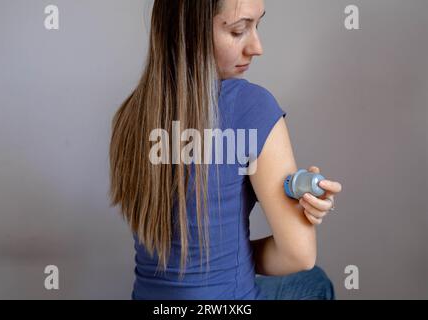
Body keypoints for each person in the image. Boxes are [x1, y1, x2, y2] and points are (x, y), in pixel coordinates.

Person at [109, 0, 342, 300]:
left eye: (257, 26)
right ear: (189, 32)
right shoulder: (250, 106)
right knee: (315, 282)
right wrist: (300, 213)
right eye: (238, 30)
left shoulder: (130, 115)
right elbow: (299, 256)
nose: (257, 47)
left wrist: (210, 262)